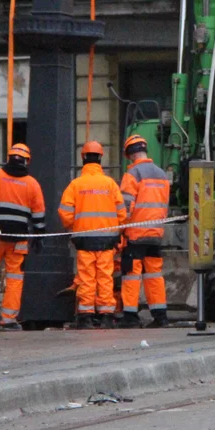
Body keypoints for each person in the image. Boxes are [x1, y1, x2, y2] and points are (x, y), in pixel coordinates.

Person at [0, 143, 46, 332]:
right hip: (18, 239)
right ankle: (9, 319)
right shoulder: (32, 184)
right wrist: (39, 235)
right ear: (27, 161)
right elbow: (39, 214)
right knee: (14, 278)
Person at [59, 140, 127, 330]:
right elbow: (122, 213)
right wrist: (119, 232)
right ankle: (106, 316)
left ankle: (86, 317)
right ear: (100, 158)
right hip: (107, 239)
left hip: (84, 238)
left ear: (83, 158)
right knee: (105, 277)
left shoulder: (75, 184)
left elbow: (64, 212)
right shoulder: (110, 184)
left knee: (86, 277)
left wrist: (75, 226)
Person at [117, 135, 171, 329]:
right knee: (154, 275)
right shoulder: (162, 174)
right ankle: (160, 316)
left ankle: (130, 316)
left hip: (136, 234)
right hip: (155, 233)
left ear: (130, 155)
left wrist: (121, 229)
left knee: (131, 274)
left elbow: (125, 207)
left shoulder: (133, 174)